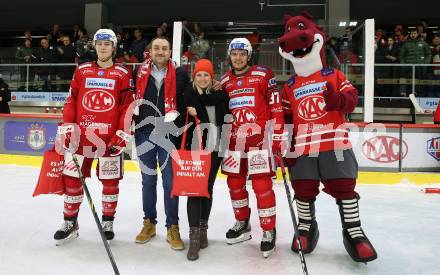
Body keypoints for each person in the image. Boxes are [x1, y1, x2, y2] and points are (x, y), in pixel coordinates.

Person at [278, 12, 377, 263]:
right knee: (303, 188)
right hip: (303, 148)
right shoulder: (289, 85)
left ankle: (353, 230)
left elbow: (352, 99)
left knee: (344, 188)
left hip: (335, 145)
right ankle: (306, 226)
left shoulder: (333, 74)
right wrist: (286, 147)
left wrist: (339, 101)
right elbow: (287, 119)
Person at [53, 29, 134, 244]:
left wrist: (122, 134)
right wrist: (68, 126)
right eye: (99, 43)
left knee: (110, 182)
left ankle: (107, 222)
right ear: (94, 46)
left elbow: (127, 107)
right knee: (72, 181)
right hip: (82, 138)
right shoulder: (82, 71)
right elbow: (71, 101)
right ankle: (70, 222)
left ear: (114, 47)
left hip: (109, 139)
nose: (103, 47)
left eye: (108, 43)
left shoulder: (123, 73)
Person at [220, 38, 285, 258]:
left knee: (262, 186)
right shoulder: (225, 80)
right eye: (234, 53)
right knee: (235, 183)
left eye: (242, 53)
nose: (238, 57)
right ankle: (242, 223)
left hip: (259, 142)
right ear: (230, 55)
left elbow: (276, 107)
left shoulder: (264, 74)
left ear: (249, 55)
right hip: (234, 143)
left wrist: (276, 138)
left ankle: (268, 230)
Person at [133, 37, 189, 250]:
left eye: (164, 48)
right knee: (148, 181)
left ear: (170, 51)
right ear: (151, 50)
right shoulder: (137, 72)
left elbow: (189, 98)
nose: (160, 51)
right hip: (144, 132)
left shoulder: (181, 74)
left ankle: (172, 226)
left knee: (170, 183)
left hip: (168, 134)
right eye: (156, 47)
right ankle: (149, 223)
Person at [183, 59, 229, 260]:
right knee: (195, 191)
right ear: (195, 77)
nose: (202, 79)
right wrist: (188, 112)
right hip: (195, 150)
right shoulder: (188, 95)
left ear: (212, 78)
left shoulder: (219, 96)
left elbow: (225, 119)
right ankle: (193, 239)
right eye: (199, 75)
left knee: (207, 190)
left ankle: (203, 231)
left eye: (206, 75)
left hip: (215, 150)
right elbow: (178, 122)